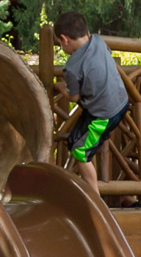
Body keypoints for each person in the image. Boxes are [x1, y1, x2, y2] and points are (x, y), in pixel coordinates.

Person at [54, 11, 130, 199]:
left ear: (64, 39)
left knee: (80, 149)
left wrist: (59, 86)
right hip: (120, 101)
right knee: (77, 137)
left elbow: (73, 97)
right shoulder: (97, 41)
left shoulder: (72, 68)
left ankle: (95, 198)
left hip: (104, 114)